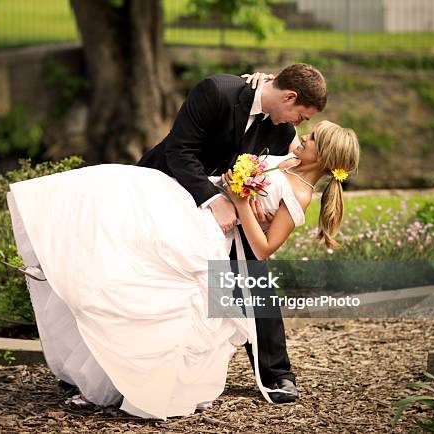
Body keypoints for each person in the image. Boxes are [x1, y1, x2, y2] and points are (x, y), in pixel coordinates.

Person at [6, 119, 359, 419]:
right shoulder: (288, 163)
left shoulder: (299, 194)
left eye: (312, 139)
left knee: (162, 296)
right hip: (200, 208)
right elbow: (278, 120)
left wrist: (241, 204)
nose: (304, 137)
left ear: (324, 156)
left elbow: (263, 249)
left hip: (214, 234)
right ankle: (63, 258)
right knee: (121, 205)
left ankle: (143, 383)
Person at [138, 63, 327, 403]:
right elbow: (179, 150)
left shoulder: (281, 132)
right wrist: (215, 200)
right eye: (301, 116)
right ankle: (114, 364)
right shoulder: (217, 92)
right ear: (289, 97)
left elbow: (273, 176)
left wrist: (248, 199)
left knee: (252, 275)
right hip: (166, 187)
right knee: (147, 279)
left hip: (226, 213)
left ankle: (276, 373)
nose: (299, 126)